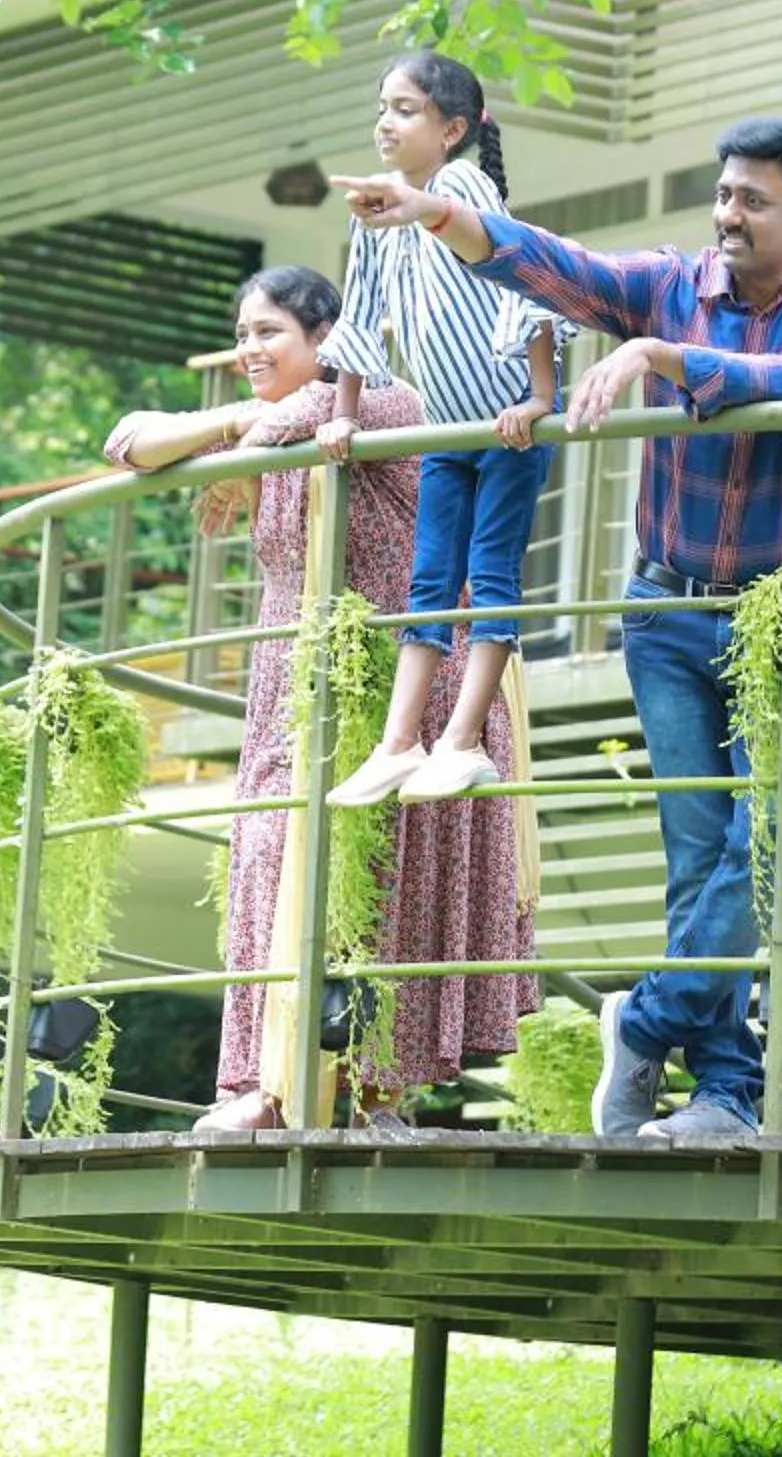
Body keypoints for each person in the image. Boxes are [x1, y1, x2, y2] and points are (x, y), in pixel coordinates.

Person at [331, 118, 782, 1145]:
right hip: (667, 610)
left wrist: (664, 356)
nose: (727, 215)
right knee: (697, 851)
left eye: (752, 200)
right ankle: (722, 1092)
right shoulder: (670, 279)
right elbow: (554, 266)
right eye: (723, 194)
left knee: (774, 839)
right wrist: (438, 212)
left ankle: (651, 1013)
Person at [102, 265, 538, 1132]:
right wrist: (232, 427)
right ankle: (263, 1089)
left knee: (377, 877)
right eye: (243, 332)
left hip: (394, 679)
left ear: (327, 338)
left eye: (270, 332)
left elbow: (260, 434)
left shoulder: (372, 399)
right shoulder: (284, 422)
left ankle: (370, 1092)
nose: (249, 348)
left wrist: (228, 441)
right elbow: (128, 440)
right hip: (298, 682)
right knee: (274, 858)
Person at [317, 51, 563, 808]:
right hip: (447, 428)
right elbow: (359, 316)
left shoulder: (459, 185)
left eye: (405, 109)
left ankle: (462, 740)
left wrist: (542, 397)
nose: (385, 122)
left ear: (452, 129)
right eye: (381, 107)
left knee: (489, 575)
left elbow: (525, 275)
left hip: (504, 424)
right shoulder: (376, 219)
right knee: (429, 582)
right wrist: (345, 413)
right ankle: (398, 743)